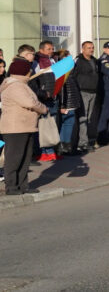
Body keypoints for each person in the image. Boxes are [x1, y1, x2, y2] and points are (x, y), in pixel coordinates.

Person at [1, 58, 49, 195]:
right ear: (23, 71)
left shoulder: (20, 84)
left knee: (25, 158)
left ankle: (23, 186)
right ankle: (11, 187)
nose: (31, 71)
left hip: (25, 126)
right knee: (14, 159)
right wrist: (43, 108)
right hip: (15, 128)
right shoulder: (15, 85)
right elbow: (30, 102)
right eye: (28, 69)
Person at [72, 41, 100, 152]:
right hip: (82, 92)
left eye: (92, 48)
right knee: (83, 117)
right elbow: (73, 76)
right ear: (83, 49)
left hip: (93, 92)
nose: (91, 50)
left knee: (88, 118)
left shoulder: (94, 60)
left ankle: (85, 141)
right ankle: (82, 143)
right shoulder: (78, 61)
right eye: (89, 48)